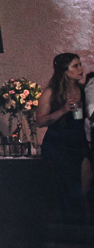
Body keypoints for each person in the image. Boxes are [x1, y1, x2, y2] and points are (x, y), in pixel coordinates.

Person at [37, 52, 90, 223]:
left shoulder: (82, 89)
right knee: (65, 189)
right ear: (64, 70)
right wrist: (62, 110)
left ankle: (82, 226)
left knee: (85, 186)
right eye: (75, 66)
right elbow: (40, 121)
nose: (81, 69)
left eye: (80, 64)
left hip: (79, 142)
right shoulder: (51, 92)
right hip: (59, 145)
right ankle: (69, 230)